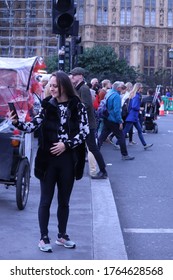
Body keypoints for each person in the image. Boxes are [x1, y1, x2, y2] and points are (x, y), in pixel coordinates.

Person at [10, 71, 89, 252]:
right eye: (50, 86)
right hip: (48, 160)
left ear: (64, 87)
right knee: (45, 200)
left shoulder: (78, 106)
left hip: (68, 159)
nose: (51, 89)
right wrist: (17, 123)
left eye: (55, 86)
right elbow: (32, 126)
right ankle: (43, 237)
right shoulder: (47, 106)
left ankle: (62, 235)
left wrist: (66, 145)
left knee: (64, 201)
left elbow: (84, 131)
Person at [70, 67, 108, 179]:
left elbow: (86, 105)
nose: (72, 77)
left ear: (80, 76)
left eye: (74, 75)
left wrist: (73, 110)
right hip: (83, 123)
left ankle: (103, 171)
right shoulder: (78, 87)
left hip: (88, 124)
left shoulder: (84, 88)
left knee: (93, 148)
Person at [98, 81, 135, 160]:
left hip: (107, 117)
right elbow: (117, 111)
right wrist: (120, 121)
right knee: (121, 136)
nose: (123, 88)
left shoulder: (109, 93)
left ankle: (95, 151)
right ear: (118, 88)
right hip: (113, 119)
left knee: (102, 136)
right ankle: (124, 155)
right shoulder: (116, 96)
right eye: (122, 87)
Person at [123, 82, 153, 150]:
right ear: (138, 88)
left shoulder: (134, 95)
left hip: (133, 116)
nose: (142, 89)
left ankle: (145, 145)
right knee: (126, 131)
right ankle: (118, 143)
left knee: (139, 130)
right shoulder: (136, 96)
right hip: (133, 116)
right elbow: (134, 106)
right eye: (141, 87)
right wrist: (140, 108)